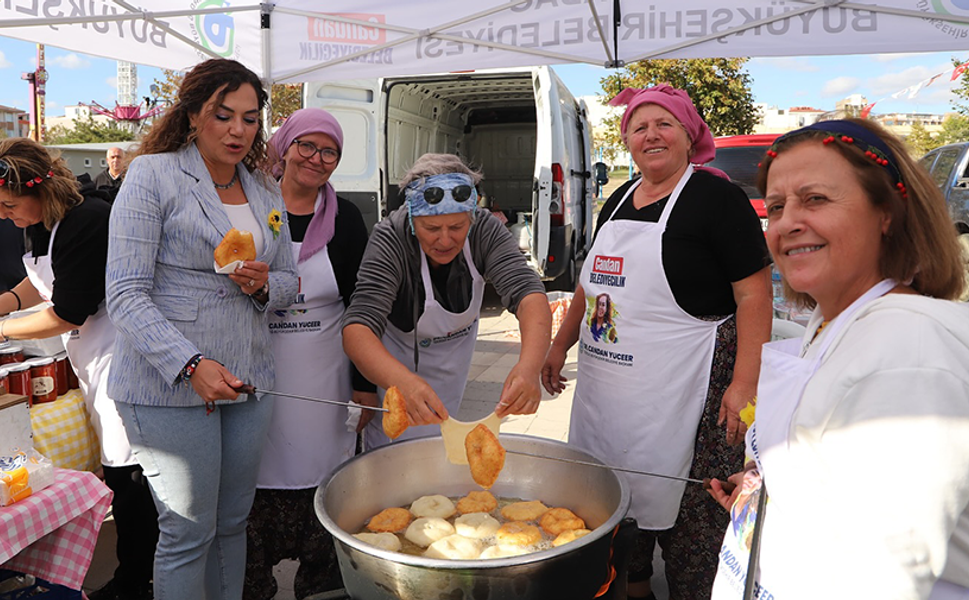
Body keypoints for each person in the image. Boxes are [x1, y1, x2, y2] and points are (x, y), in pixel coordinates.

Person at [707, 119, 969, 599]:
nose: (786, 222)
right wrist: (765, 492)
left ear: (886, 213)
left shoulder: (908, 353)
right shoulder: (836, 321)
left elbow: (883, 580)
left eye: (816, 199)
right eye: (778, 206)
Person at [541, 85, 772, 600]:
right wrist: (561, 344)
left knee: (692, 524)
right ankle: (636, 586)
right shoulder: (619, 197)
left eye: (664, 124)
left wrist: (745, 383)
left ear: (690, 136)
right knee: (616, 509)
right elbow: (588, 286)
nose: (651, 135)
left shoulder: (716, 199)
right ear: (627, 141)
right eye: (639, 127)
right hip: (610, 390)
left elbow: (755, 295)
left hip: (693, 389)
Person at [105, 58, 299, 600]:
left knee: (232, 522)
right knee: (189, 530)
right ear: (193, 115)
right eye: (223, 115)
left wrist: (264, 285)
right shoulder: (153, 175)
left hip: (249, 377)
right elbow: (124, 292)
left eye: (251, 118)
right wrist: (189, 364)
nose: (239, 130)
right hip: (168, 383)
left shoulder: (264, 187)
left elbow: (289, 280)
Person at [0, 138, 158, 600]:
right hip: (90, 357)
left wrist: (4, 331)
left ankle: (137, 581)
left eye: (10, 205)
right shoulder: (39, 225)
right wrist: (8, 303)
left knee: (129, 474)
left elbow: (69, 309)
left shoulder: (87, 221)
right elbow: (38, 279)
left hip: (121, 356)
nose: (5, 215)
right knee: (119, 466)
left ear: (40, 191)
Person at [244, 108, 376, 600]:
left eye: (330, 152)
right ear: (284, 144)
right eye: (307, 145)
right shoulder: (248, 204)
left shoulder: (346, 219)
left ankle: (320, 587)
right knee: (252, 482)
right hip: (257, 374)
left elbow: (363, 306)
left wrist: (365, 385)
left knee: (327, 482)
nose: (317, 159)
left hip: (324, 378)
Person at [343, 153, 550, 449]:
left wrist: (529, 368)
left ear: (471, 216)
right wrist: (402, 383)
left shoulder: (484, 229)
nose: (444, 240)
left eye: (456, 228)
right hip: (393, 380)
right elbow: (357, 329)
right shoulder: (391, 237)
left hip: (452, 384)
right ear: (413, 220)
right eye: (431, 229)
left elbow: (528, 293)